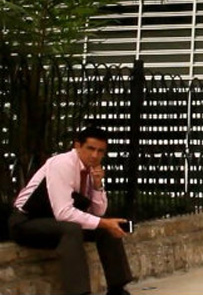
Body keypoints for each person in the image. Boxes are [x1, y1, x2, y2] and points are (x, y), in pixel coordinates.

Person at [9, 126, 133, 295]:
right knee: (73, 229)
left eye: (100, 151)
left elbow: (98, 213)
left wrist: (97, 186)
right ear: (77, 146)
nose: (95, 155)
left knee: (108, 228)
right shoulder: (62, 164)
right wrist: (104, 222)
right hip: (26, 222)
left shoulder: (91, 169)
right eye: (90, 148)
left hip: (54, 221)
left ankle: (117, 289)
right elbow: (63, 212)